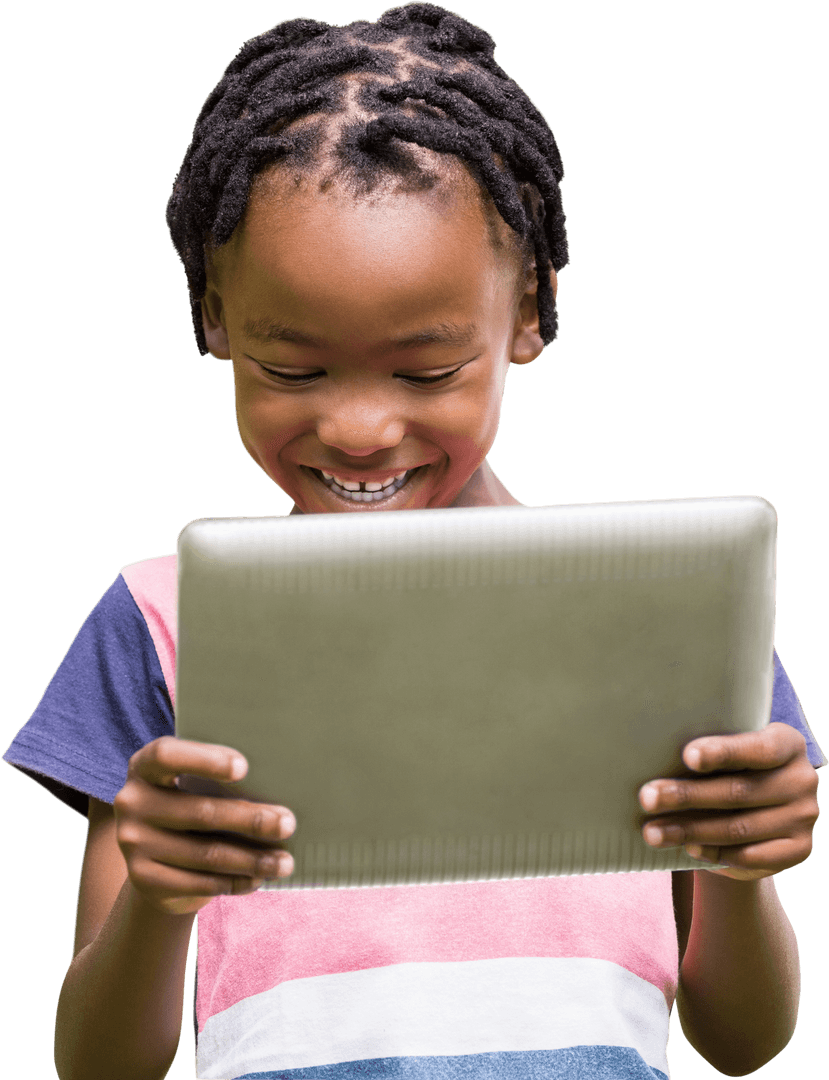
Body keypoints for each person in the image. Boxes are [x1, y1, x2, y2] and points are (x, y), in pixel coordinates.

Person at [3, 4, 825, 1078]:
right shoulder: (164, 622)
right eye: (292, 369)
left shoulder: (667, 613)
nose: (357, 427)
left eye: (426, 371)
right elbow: (100, 1064)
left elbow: (742, 1039)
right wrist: (161, 900)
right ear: (213, 319)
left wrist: (737, 870)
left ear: (528, 313)